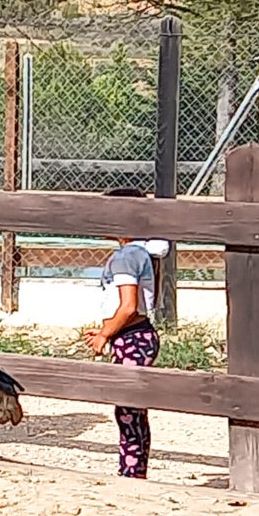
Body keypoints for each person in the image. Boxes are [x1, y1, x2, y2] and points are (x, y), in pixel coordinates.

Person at [82, 188, 172, 479]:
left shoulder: (125, 256)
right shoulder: (138, 253)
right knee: (132, 408)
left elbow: (129, 306)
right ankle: (135, 469)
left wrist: (105, 334)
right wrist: (109, 328)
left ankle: (132, 471)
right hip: (136, 335)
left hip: (132, 336)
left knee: (128, 408)